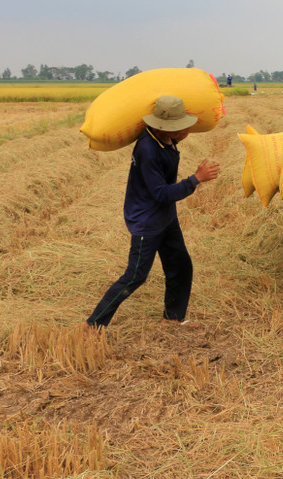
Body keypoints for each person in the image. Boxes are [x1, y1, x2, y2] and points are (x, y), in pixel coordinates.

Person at [86, 95, 220, 330]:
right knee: (135, 276)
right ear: (162, 127)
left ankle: (172, 319)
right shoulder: (147, 150)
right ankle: (93, 325)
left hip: (165, 216)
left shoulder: (164, 139)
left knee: (180, 266)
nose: (186, 131)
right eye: (181, 128)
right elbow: (162, 193)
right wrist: (196, 179)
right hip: (147, 220)